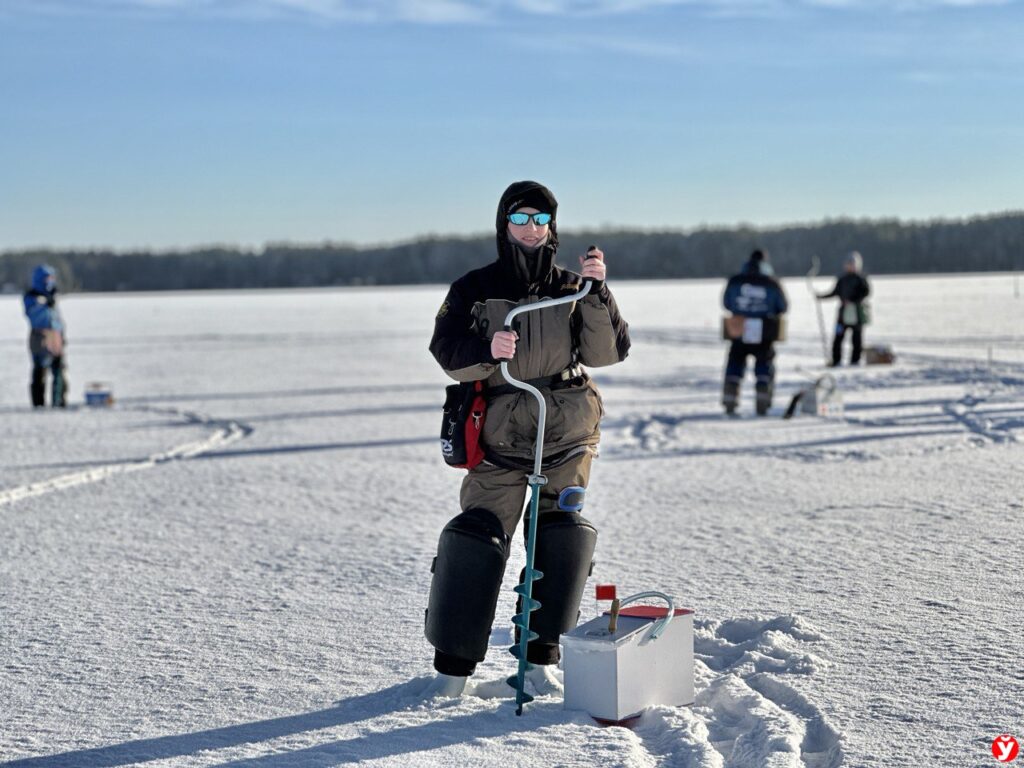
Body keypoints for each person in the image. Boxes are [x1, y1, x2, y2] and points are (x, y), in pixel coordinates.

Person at [424, 181, 631, 698]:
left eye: (542, 219)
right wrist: (487, 349)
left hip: (566, 431)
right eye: (522, 218)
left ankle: (539, 663)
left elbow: (608, 353)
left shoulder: (573, 286)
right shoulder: (474, 287)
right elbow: (446, 351)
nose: (532, 229)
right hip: (500, 433)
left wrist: (598, 294)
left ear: (552, 227)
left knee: (560, 539)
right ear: (504, 225)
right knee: (477, 538)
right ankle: (452, 675)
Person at [721, 249, 788, 416]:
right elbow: (783, 306)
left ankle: (730, 395)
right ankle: (763, 396)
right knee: (764, 364)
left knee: (735, 361)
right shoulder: (772, 282)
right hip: (765, 330)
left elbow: (727, 303)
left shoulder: (735, 280)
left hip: (739, 328)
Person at [22, 264, 68, 408]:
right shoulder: (31, 296)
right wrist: (45, 304)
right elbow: (32, 313)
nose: (50, 281)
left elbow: (57, 317)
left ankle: (59, 402)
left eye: (51, 278)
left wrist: (61, 333)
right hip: (40, 336)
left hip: (55, 335)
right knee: (40, 371)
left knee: (59, 369)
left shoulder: (53, 295)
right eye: (47, 278)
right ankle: (38, 403)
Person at [818, 251, 871, 366]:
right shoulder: (842, 279)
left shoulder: (861, 279)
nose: (849, 266)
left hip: (856, 313)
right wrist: (821, 297)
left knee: (856, 339)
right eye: (848, 263)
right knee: (838, 337)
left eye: (852, 264)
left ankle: (855, 360)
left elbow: (866, 293)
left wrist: (852, 300)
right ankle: (836, 360)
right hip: (843, 314)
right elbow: (834, 292)